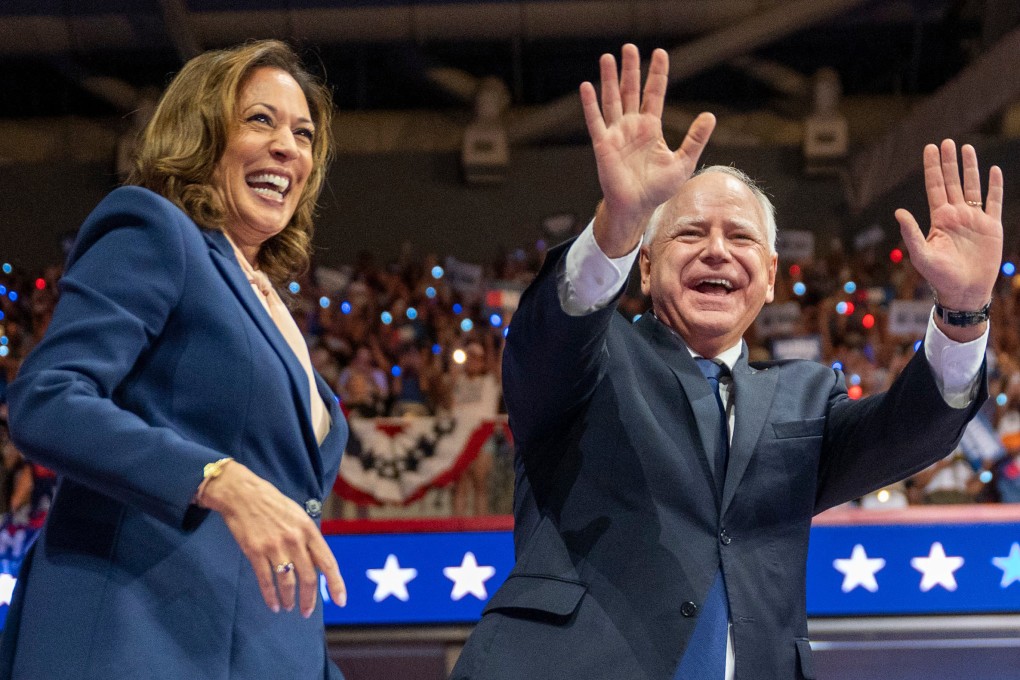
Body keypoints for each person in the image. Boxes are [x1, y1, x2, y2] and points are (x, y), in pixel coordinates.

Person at [451, 44, 1000, 680]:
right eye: (690, 233)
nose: (717, 251)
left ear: (768, 278)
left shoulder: (806, 395)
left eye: (740, 237)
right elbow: (549, 339)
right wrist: (617, 224)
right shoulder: (591, 357)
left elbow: (916, 432)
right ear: (647, 267)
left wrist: (963, 312)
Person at [2, 41, 349, 679]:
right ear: (201, 133)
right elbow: (46, 401)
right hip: (133, 638)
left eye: (303, 133)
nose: (287, 147)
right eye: (260, 120)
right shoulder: (155, 231)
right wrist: (216, 477)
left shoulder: (272, 302)